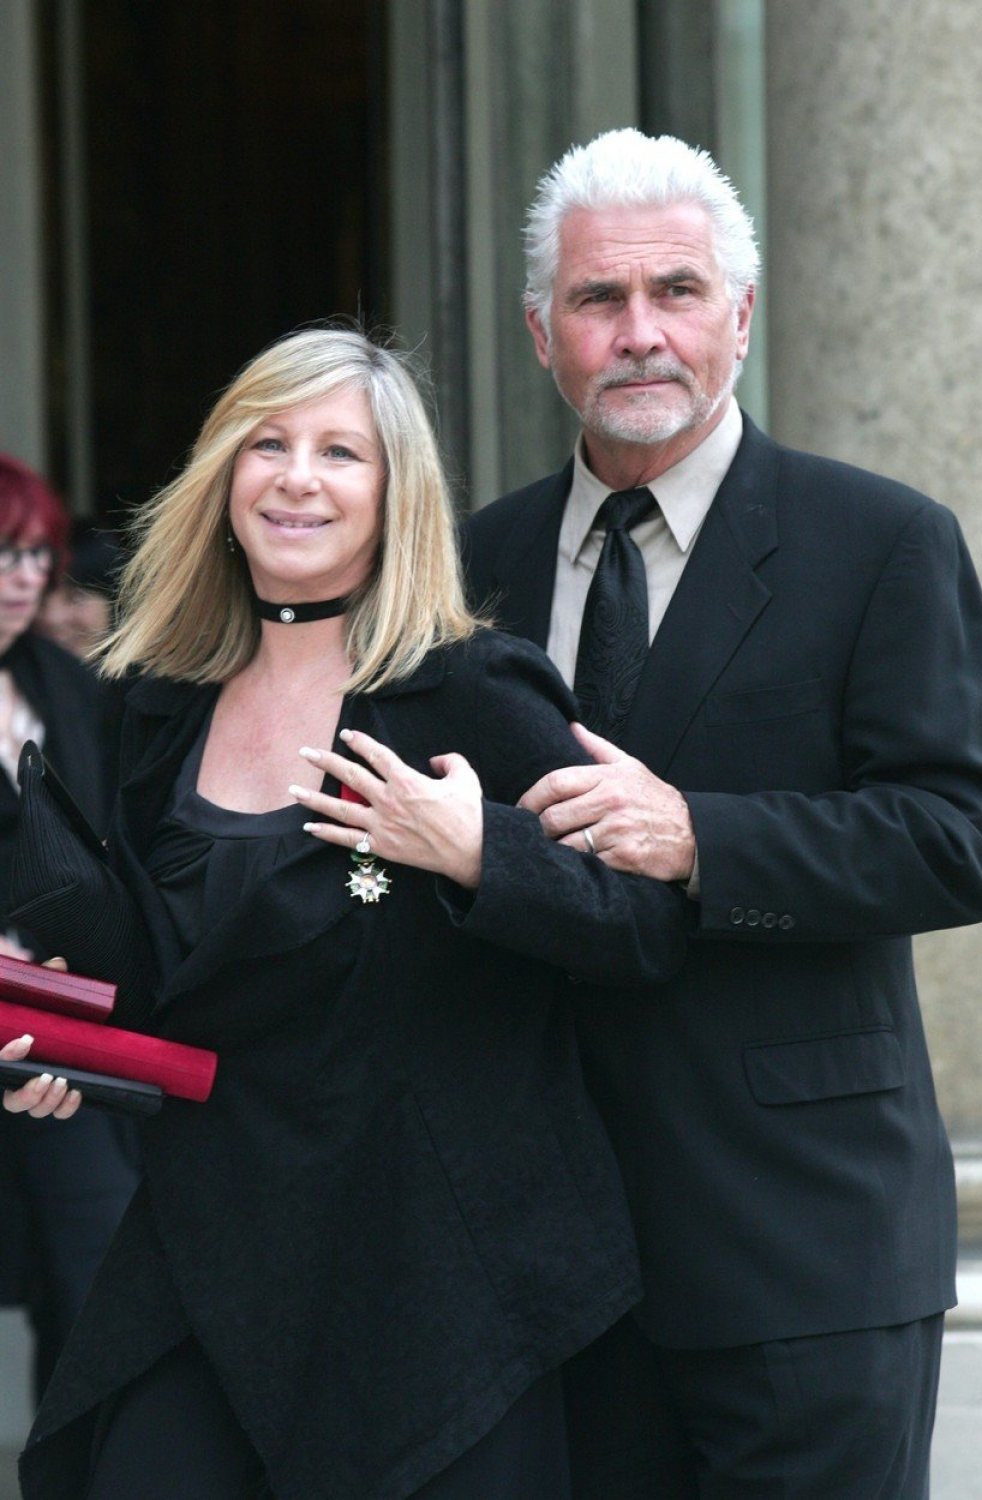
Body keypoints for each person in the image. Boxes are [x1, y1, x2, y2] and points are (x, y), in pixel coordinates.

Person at [2, 327, 692, 1500]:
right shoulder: (163, 700)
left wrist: (480, 850)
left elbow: (641, 928)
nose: (298, 476)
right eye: (267, 443)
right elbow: (168, 977)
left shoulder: (473, 687)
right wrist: (64, 1048)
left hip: (433, 1282)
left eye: (341, 452)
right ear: (225, 478)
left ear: (396, 496)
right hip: (211, 1250)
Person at [461, 128, 982, 1498]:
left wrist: (701, 838)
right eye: (598, 301)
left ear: (742, 315)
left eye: (678, 292)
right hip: (540, 1270)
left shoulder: (881, 541)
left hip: (801, 1249)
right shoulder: (475, 561)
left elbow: (960, 835)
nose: (641, 334)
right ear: (541, 333)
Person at [0, 455, 138, 1403]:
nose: (23, 578)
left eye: (35, 555)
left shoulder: (62, 681)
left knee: (93, 1274)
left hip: (56, 1029)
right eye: (1, 553)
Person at [35, 521, 123, 659]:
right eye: (39, 597)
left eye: (76, 598)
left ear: (114, 604)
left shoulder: (154, 677)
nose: (52, 618)